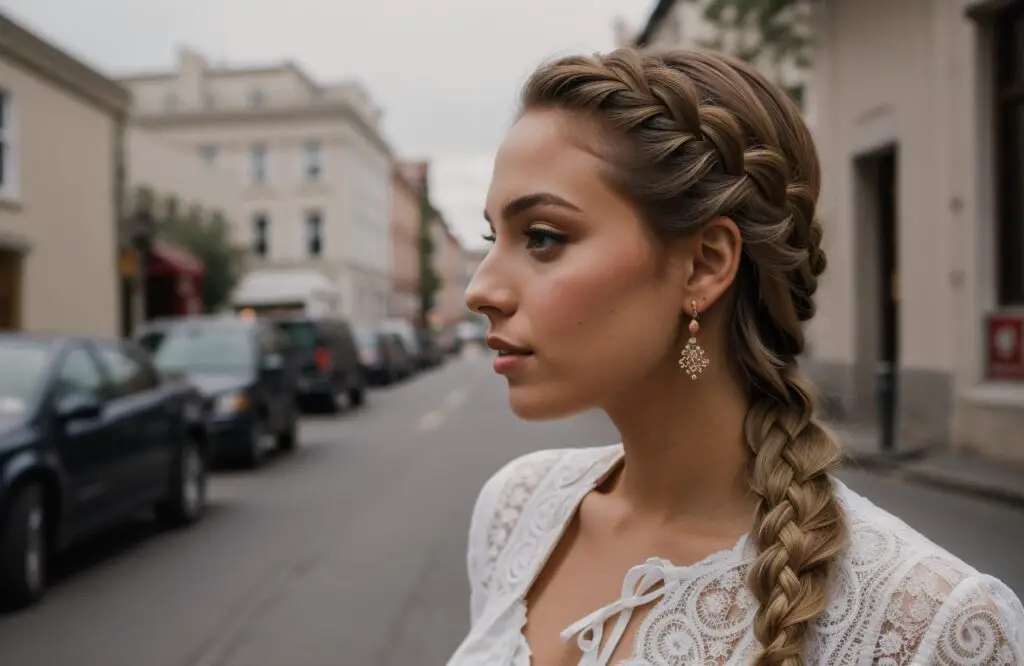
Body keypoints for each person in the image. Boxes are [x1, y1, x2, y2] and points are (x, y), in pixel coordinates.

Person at [449, 47, 1024, 666]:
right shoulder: (516, 510)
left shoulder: (930, 625)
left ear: (705, 264)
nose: (480, 290)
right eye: (493, 237)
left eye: (542, 237)